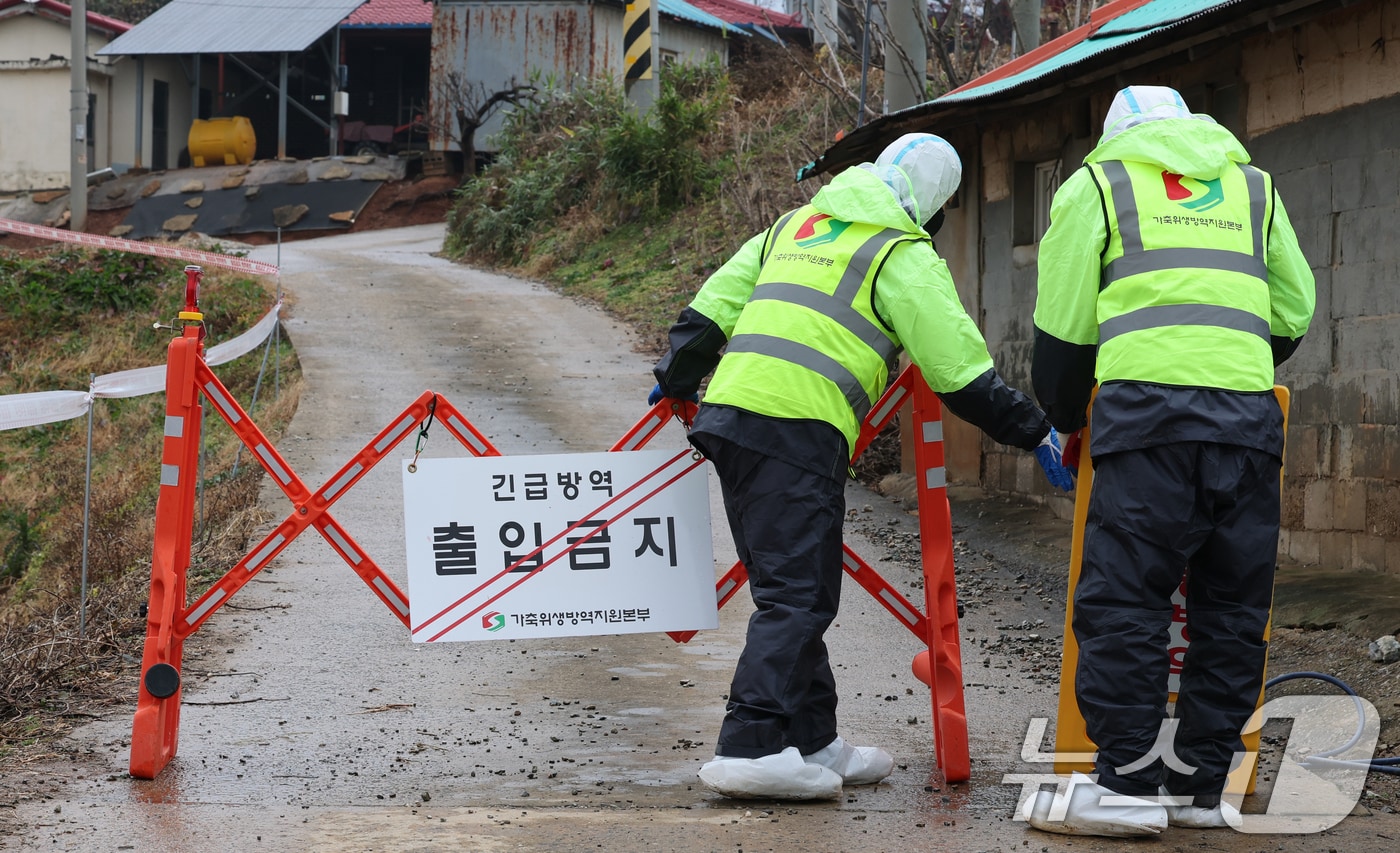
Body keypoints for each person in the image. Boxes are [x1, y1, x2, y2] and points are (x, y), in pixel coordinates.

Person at [649, 132, 1074, 800]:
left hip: (733, 418)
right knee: (796, 594)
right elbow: (960, 374)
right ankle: (751, 744)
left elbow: (712, 305)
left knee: (800, 586)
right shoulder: (901, 253)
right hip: (796, 424)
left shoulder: (796, 225)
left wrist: (677, 375)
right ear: (934, 207)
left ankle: (812, 738)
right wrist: (1036, 429)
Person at [1026, 85, 1316, 835]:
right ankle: (1199, 788)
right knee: (1231, 607)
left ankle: (1125, 783)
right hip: (1249, 420)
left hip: (1146, 419)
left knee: (1126, 598)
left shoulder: (1099, 182)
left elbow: (1061, 332)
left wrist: (1062, 419)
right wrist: (1230, 360)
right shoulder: (1253, 187)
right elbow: (1295, 310)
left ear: (1115, 135)